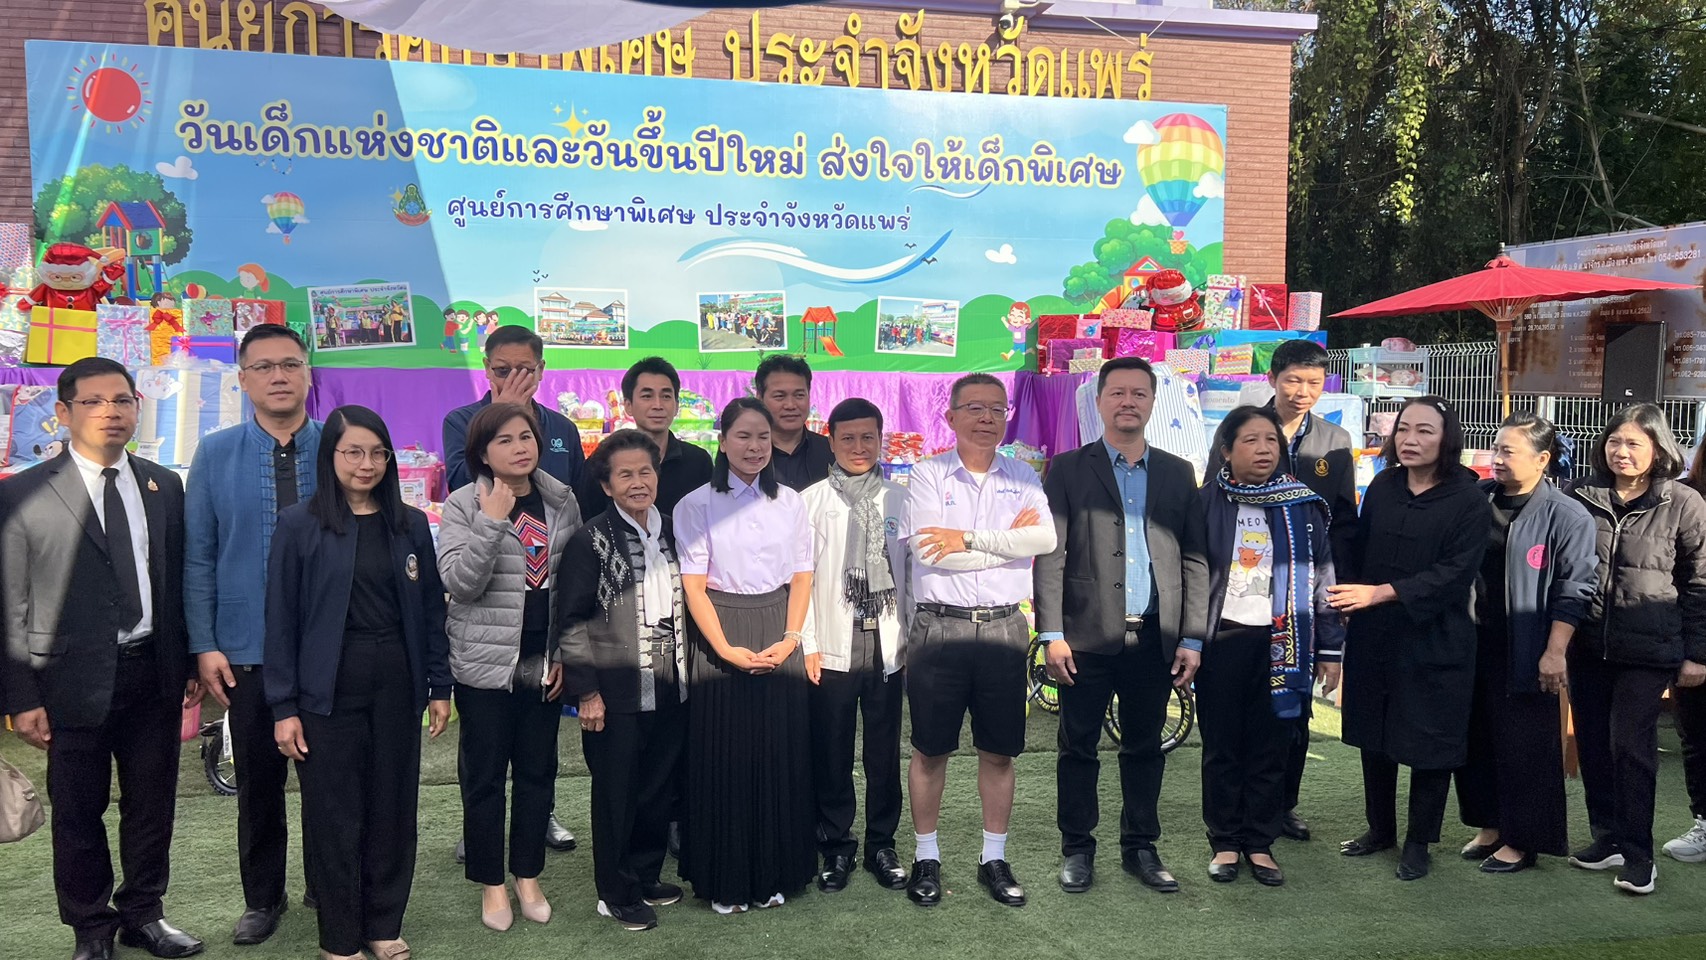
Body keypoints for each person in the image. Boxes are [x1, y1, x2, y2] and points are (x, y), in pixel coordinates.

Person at [0, 358, 204, 960]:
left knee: (152, 806)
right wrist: (20, 697)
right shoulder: (22, 492)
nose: (110, 412)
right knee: (78, 811)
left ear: (138, 408)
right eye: (92, 402)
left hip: (153, 671)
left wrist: (188, 661)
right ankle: (90, 927)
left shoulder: (163, 485)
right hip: (68, 679)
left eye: (122, 400)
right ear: (63, 413)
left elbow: (174, 579)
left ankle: (145, 913)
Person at [265, 405, 453, 960]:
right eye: (353, 452)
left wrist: (439, 685)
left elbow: (431, 610)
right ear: (331, 457)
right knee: (334, 813)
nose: (366, 464)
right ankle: (340, 937)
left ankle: (382, 923)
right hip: (326, 689)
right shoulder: (299, 525)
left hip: (397, 681)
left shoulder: (409, 523)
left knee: (393, 806)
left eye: (377, 453)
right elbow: (281, 620)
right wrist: (283, 706)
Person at [1034, 357, 1207, 897]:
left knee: (1144, 747)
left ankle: (1141, 847)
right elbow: (1051, 556)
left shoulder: (1177, 472)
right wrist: (1051, 634)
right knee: (1077, 747)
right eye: (1118, 393)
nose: (1128, 402)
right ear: (1100, 401)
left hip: (1155, 636)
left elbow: (1195, 558)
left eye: (1139, 393)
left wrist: (1192, 636)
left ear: (1153, 402)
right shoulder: (1068, 468)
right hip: (1084, 638)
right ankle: (1077, 849)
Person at [185, 325, 321, 944]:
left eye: (290, 363)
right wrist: (204, 643)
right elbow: (198, 556)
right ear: (243, 379)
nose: (278, 376)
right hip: (246, 647)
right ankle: (263, 899)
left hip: (329, 646)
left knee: (330, 780)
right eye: (263, 367)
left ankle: (328, 883)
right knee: (259, 784)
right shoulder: (215, 453)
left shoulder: (340, 445)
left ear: (308, 373)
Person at [902, 374, 1056, 908]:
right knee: (930, 750)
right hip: (938, 628)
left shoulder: (1023, 475)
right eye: (974, 408)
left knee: (999, 751)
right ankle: (926, 856)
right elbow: (929, 552)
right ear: (950, 417)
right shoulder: (927, 473)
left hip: (1003, 627)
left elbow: (1044, 539)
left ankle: (994, 857)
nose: (987, 418)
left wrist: (966, 538)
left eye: (997, 408)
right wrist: (1010, 545)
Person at [1330, 395, 1491, 882]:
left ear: (1447, 439)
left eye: (1424, 431)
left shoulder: (1468, 498)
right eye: (1403, 429)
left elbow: (1455, 573)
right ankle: (1380, 829)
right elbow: (1359, 547)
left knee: (1430, 742)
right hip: (1375, 635)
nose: (1410, 440)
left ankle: (1419, 842)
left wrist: (1381, 592)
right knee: (1374, 735)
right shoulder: (1383, 485)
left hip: (1437, 638)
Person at [1203, 339, 1356, 842]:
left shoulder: (1333, 441)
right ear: (1273, 379)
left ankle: (1278, 811)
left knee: (1288, 723)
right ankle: (1229, 834)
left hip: (1297, 605)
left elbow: (1342, 524)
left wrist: (1331, 613)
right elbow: (1209, 518)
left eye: (1314, 382)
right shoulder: (1241, 433)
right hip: (1231, 618)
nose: (1302, 391)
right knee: (1228, 733)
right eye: (1293, 380)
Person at [438, 403, 582, 931]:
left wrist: (566, 653)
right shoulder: (463, 503)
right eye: (504, 440)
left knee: (537, 772)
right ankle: (491, 882)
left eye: (526, 437)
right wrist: (492, 521)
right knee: (484, 777)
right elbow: (461, 584)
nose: (520, 448)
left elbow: (572, 587)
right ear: (481, 453)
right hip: (484, 662)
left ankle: (527, 875)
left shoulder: (561, 499)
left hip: (544, 660)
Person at [674, 398, 817, 913]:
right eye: (743, 436)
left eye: (763, 437)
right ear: (722, 440)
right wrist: (724, 649)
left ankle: (777, 873)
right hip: (721, 630)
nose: (755, 447)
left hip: (780, 627)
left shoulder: (791, 502)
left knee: (780, 754)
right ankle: (726, 880)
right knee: (725, 758)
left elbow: (802, 573)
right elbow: (694, 588)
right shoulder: (696, 504)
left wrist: (792, 636)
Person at [1565, 403, 1706, 896]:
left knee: (1631, 747)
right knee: (1593, 744)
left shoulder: (1683, 502)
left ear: (1658, 448)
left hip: (1650, 650)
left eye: (1633, 443)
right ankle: (1607, 838)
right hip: (1587, 645)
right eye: (1614, 441)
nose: (1621, 452)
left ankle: (1639, 855)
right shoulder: (1581, 495)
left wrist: (1697, 654)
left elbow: (1699, 583)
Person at [1452, 413, 1597, 874]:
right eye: (1496, 449)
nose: (1497, 459)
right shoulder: (1478, 499)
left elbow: (1575, 588)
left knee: (1525, 745)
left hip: (1529, 646)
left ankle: (1523, 840)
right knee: (1476, 737)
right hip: (1473, 639)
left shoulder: (1566, 514)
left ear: (1542, 459)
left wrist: (1555, 651)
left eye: (1508, 451)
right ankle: (1490, 825)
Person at [560, 431, 690, 931]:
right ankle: (614, 892)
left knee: (657, 787)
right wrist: (587, 692)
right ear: (607, 485)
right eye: (626, 474)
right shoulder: (589, 539)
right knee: (617, 792)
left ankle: (645, 874)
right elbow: (571, 621)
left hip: (671, 682)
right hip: (614, 692)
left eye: (646, 471)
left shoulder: (674, 529)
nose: (639, 482)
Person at [799, 398, 913, 893]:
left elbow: (914, 577)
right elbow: (800, 582)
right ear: (831, 441)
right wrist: (807, 643)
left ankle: (882, 844)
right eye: (848, 438)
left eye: (868, 437)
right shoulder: (810, 503)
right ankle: (835, 845)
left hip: (887, 643)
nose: (859, 447)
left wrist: (913, 638)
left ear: (881, 439)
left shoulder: (902, 500)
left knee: (884, 753)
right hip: (832, 643)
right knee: (832, 750)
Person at [577, 357, 713, 519]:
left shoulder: (698, 462)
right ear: (628, 405)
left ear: (677, 405)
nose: (658, 405)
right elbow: (587, 519)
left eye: (666, 396)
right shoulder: (602, 462)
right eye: (647, 396)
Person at [1667, 443, 1706, 865]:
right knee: (1696, 737)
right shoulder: (1687, 496)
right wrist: (1696, 651)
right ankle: (1704, 823)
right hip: (1692, 638)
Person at [756, 354, 833, 491]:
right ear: (759, 399)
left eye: (799, 395)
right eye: (779, 396)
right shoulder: (746, 455)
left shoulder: (832, 451)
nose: (790, 405)